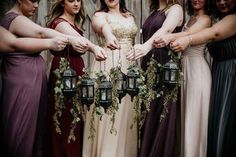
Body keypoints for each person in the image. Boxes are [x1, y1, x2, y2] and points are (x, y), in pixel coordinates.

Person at [0, 0, 91, 156]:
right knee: (22, 130)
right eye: (32, 0)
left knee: (34, 130)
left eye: (38, 1)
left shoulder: (21, 19)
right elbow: (37, 34)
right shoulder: (15, 19)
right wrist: (61, 41)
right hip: (23, 85)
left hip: (30, 83)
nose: (36, 5)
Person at [170, 0, 236, 157]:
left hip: (233, 77)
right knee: (216, 125)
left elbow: (214, 33)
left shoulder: (233, 18)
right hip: (219, 75)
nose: (221, 2)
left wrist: (188, 40)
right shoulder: (214, 18)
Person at [44, 0, 107, 157]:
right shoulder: (60, 23)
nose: (76, 4)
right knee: (64, 115)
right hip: (64, 74)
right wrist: (94, 48)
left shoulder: (74, 22)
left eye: (78, 0)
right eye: (71, 0)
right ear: (62, 3)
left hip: (77, 72)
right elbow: (77, 38)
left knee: (75, 116)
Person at [152, 0, 212, 156]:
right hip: (183, 70)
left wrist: (168, 36)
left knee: (193, 117)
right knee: (183, 118)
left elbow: (188, 34)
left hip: (197, 71)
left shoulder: (206, 19)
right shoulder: (189, 18)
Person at [126, 0, 183, 157]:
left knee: (160, 115)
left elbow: (166, 29)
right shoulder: (155, 11)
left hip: (165, 69)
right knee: (148, 116)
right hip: (148, 70)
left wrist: (146, 46)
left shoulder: (176, 9)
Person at [82, 0, 138, 157]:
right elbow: (101, 26)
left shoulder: (130, 16)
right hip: (107, 68)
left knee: (126, 114)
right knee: (107, 113)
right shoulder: (99, 15)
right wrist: (108, 34)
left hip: (129, 69)